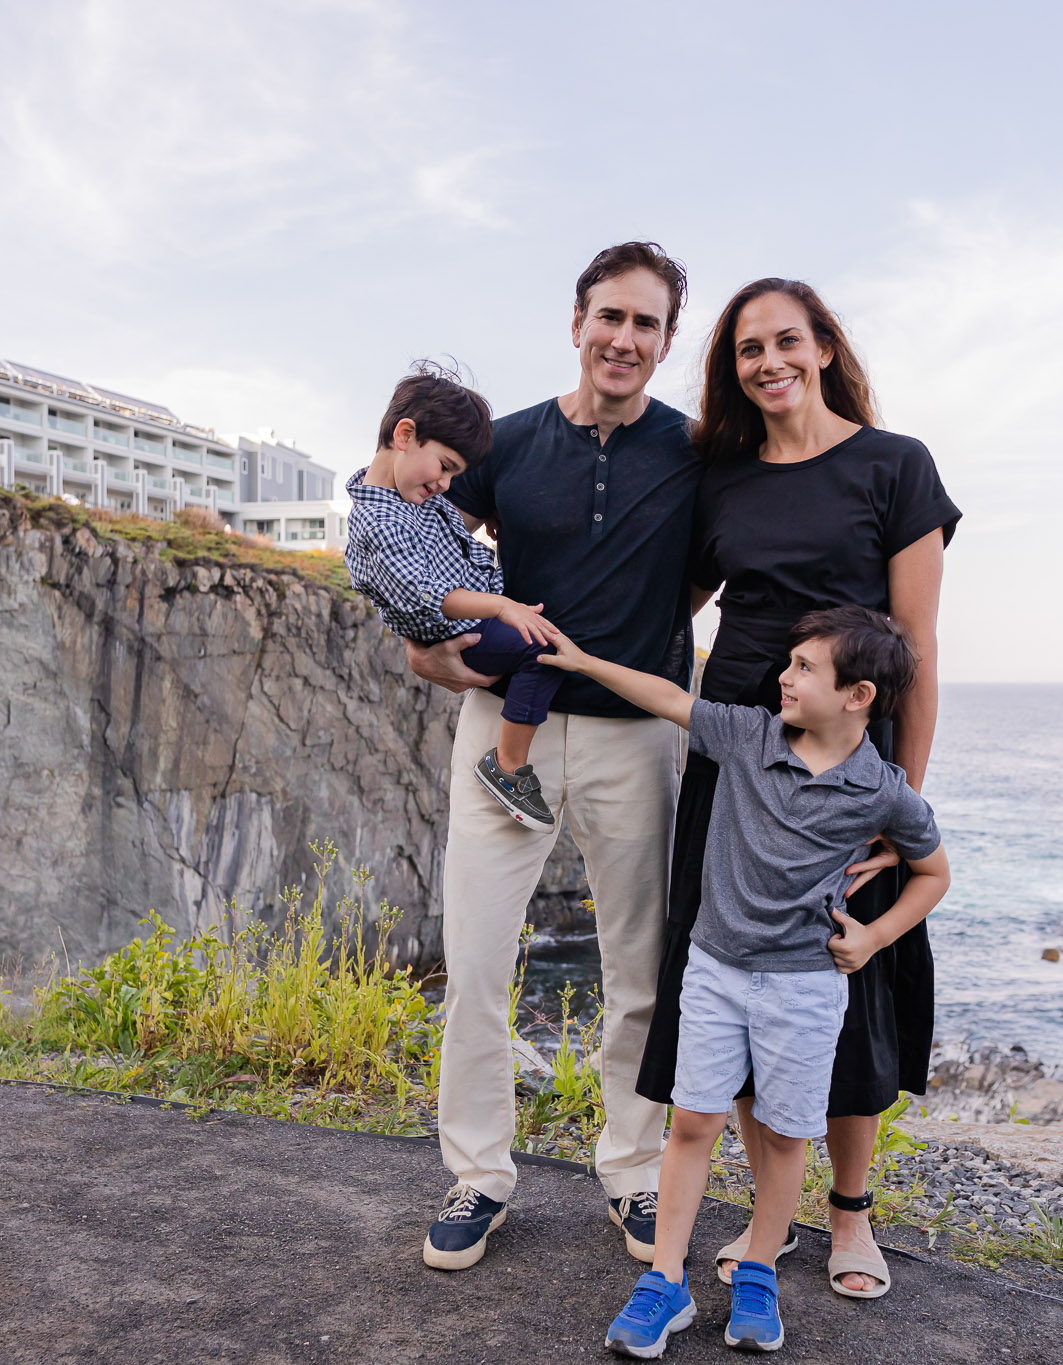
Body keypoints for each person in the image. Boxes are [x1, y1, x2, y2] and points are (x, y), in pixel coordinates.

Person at [638, 277, 961, 1300]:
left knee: (844, 984)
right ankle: (766, 1217)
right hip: (734, 754)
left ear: (822, 346)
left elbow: (913, 648)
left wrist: (896, 804)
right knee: (733, 967)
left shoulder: (892, 466)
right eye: (746, 350)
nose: (767, 362)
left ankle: (849, 1213)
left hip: (841, 768)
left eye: (786, 341)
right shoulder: (719, 479)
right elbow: (673, 600)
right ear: (730, 369)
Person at [539, 607, 950, 1357]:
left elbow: (933, 870)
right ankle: (665, 1282)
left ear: (858, 695)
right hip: (716, 975)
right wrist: (582, 659)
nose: (784, 677)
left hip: (805, 988)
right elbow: (667, 698)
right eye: (788, 663)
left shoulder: (884, 793)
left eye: (803, 668)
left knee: (790, 1136)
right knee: (692, 1123)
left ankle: (758, 1272)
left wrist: (875, 935)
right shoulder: (749, 735)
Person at [408, 243, 705, 1272]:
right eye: (608, 317)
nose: (623, 339)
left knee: (637, 967)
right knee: (480, 960)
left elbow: (707, 578)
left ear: (666, 342)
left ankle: (629, 1173)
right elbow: (421, 534)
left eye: (646, 324)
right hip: (504, 730)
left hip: (630, 735)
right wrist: (423, 643)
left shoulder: (694, 451)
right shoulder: (508, 442)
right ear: (574, 322)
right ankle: (479, 1174)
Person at [344, 364, 566, 830]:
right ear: (405, 435)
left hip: (472, 618)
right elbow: (428, 594)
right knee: (543, 651)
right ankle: (507, 767)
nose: (445, 484)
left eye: (455, 474)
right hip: (460, 631)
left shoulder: (412, 497)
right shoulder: (378, 521)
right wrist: (502, 606)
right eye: (445, 467)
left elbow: (450, 537)